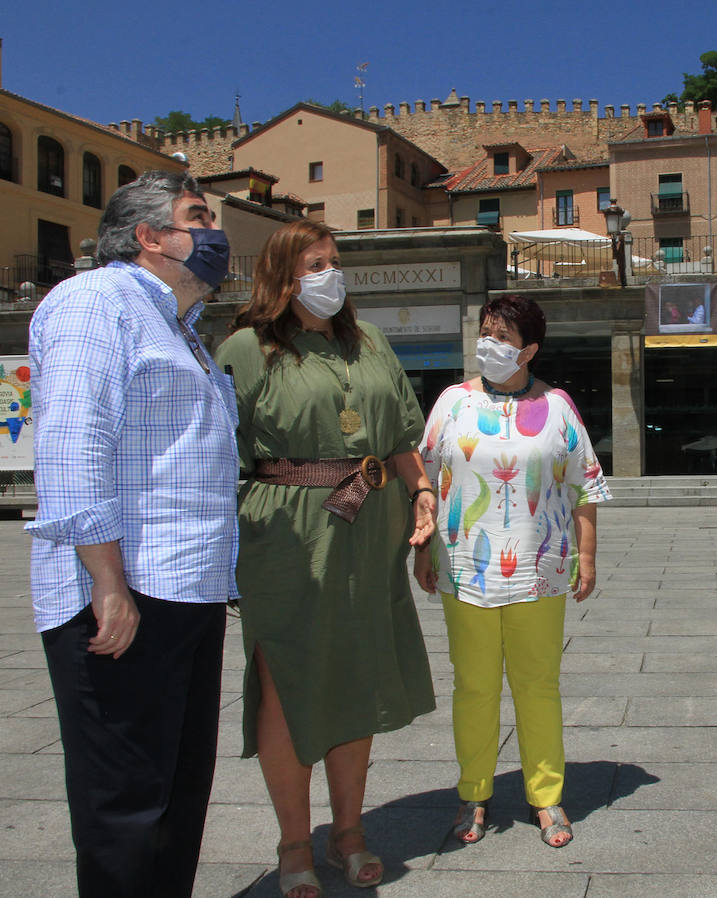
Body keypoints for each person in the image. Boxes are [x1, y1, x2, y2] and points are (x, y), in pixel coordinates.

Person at [27, 170, 239, 897]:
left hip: (185, 590)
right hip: (127, 594)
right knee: (125, 807)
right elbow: (72, 446)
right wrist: (107, 584)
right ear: (149, 237)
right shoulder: (94, 302)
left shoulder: (181, 330)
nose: (216, 234)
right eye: (197, 217)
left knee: (178, 797)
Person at [214, 220, 437, 897]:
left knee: (357, 675)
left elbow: (400, 433)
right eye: (316, 263)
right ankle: (291, 842)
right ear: (283, 274)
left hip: (372, 528)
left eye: (335, 262)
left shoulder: (368, 342)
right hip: (287, 532)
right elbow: (217, 455)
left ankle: (348, 832)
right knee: (287, 681)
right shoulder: (243, 349)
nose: (330, 274)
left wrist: (422, 490)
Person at [414, 294, 610, 849]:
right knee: (473, 687)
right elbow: (425, 477)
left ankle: (546, 797)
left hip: (539, 566)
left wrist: (587, 554)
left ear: (529, 349)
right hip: (463, 565)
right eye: (485, 332)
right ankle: (473, 792)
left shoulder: (559, 407)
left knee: (537, 687)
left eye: (502, 337)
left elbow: (584, 484)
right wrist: (422, 548)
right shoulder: (450, 402)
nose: (489, 345)